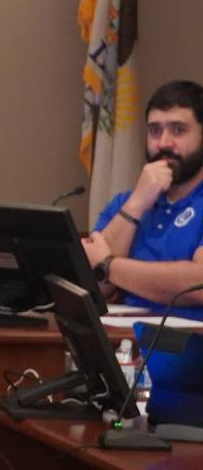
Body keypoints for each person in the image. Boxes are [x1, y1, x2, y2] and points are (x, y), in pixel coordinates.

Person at [83, 79, 203, 319]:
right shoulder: (124, 204)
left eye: (178, 130)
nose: (163, 143)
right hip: (120, 346)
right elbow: (95, 288)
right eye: (154, 131)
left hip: (186, 350)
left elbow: (198, 285)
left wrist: (109, 266)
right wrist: (137, 203)